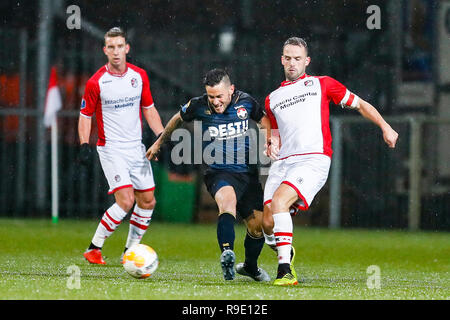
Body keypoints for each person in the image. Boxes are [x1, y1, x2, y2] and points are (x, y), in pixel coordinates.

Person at [262, 37, 399, 285]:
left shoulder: (322, 84)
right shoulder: (272, 98)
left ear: (307, 61)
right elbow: (272, 126)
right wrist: (270, 138)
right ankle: (286, 249)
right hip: (282, 163)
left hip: (312, 160)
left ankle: (285, 271)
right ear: (282, 59)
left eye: (297, 59)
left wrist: (385, 126)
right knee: (267, 221)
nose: (292, 63)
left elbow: (360, 104)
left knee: (281, 200)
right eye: (288, 58)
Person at [146, 68, 271, 281]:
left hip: (248, 175)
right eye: (211, 97)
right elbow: (178, 118)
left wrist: (269, 140)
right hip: (218, 173)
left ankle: (250, 267)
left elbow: (263, 119)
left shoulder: (246, 102)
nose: (215, 101)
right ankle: (227, 253)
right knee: (227, 204)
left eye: (219, 96)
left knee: (258, 226)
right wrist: (159, 142)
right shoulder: (199, 105)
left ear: (231, 90)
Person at [78, 27, 164, 264]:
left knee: (148, 201)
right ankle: (94, 248)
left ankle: (130, 253)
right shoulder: (97, 82)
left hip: (136, 148)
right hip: (111, 148)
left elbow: (149, 109)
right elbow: (85, 115)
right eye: (111, 47)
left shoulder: (139, 76)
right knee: (125, 201)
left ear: (127, 49)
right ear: (105, 50)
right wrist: (84, 144)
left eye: (120, 47)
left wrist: (161, 137)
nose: (116, 52)